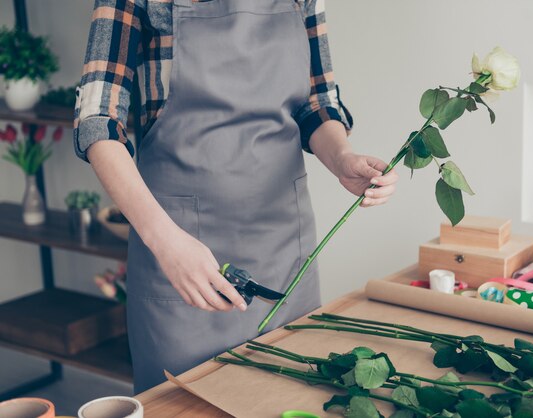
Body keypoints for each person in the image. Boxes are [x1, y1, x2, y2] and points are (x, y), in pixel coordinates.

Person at [74, 0, 399, 393]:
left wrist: (342, 157)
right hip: (179, 253)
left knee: (289, 397)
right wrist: (165, 241)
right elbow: (98, 121)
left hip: (284, 248)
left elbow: (317, 101)